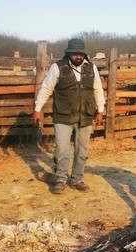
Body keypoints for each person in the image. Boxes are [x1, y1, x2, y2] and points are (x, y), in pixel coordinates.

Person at [32, 38, 106, 194]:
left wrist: (100, 111)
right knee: (62, 149)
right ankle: (60, 179)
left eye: (80, 54)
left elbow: (98, 89)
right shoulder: (57, 67)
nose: (78, 57)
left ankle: (77, 179)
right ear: (68, 53)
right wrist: (37, 109)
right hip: (63, 115)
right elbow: (46, 89)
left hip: (85, 116)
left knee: (82, 151)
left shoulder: (92, 68)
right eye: (75, 54)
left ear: (84, 54)